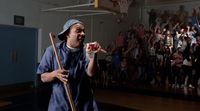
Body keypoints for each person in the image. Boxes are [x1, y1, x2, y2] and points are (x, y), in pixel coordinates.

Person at [37, 19, 103, 111]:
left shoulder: (87, 50)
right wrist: (54, 74)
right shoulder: (52, 50)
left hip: (83, 101)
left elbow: (90, 73)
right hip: (60, 103)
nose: (83, 34)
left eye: (84, 31)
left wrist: (93, 56)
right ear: (67, 34)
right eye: (78, 31)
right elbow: (43, 77)